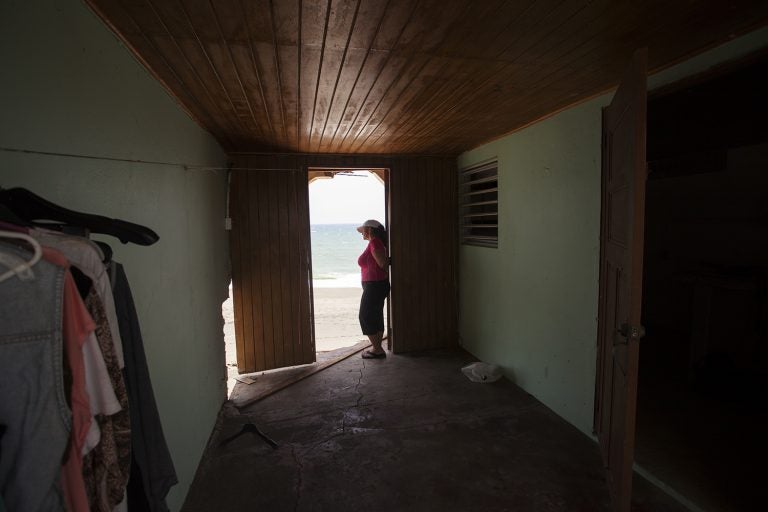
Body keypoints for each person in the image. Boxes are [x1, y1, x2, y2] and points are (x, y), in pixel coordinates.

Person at [356, 219, 390, 359]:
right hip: (376, 284)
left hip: (374, 285)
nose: (361, 233)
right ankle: (377, 348)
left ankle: (377, 349)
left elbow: (382, 263)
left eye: (363, 230)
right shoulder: (375, 243)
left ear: (369, 230)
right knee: (375, 315)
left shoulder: (374, 242)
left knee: (365, 316)